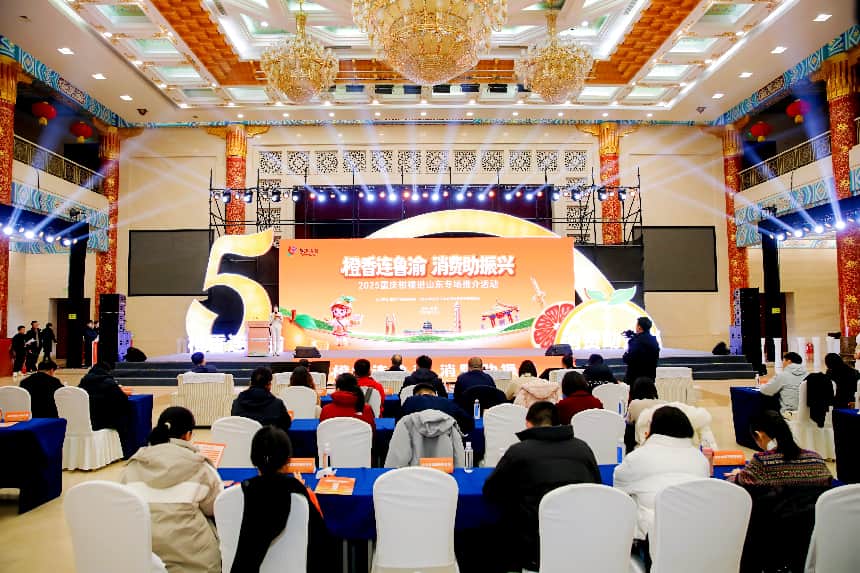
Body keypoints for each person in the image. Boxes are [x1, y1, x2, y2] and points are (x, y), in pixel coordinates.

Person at [483, 402, 601, 572]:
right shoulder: (583, 448)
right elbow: (596, 487)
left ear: (528, 424)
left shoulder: (518, 452)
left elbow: (492, 491)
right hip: (579, 538)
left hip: (531, 545)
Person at [120, 407, 222, 573]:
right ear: (188, 435)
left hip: (143, 556)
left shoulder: (132, 465)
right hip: (196, 560)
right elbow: (216, 507)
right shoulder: (200, 466)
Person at [230, 426, 332, 572]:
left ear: (253, 459)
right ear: (287, 461)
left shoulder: (237, 494)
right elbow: (321, 536)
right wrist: (305, 489)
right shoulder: (299, 495)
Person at [613, 406, 710, 541]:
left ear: (654, 428)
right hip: (695, 535)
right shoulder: (700, 459)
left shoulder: (638, 457)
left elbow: (618, 487)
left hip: (653, 538)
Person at [727, 410, 832, 488]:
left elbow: (734, 483)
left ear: (759, 435)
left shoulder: (761, 462)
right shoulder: (816, 458)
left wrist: (737, 475)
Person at [78, 360, 130, 437]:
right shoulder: (109, 383)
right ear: (107, 371)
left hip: (85, 420)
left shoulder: (83, 382)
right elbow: (123, 400)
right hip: (105, 422)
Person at [231, 367, 292, 431]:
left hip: (244, 437)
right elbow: (286, 425)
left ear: (250, 383)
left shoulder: (236, 403)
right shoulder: (277, 404)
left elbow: (234, 425)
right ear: (269, 385)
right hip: (269, 437)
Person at [401, 382, 473, 433]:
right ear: (435, 394)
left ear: (416, 395)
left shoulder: (410, 401)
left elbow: (400, 423)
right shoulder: (447, 402)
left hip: (415, 445)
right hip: (445, 445)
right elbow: (469, 422)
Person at [622, 317, 660, 383]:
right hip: (650, 377)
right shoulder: (654, 340)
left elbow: (629, 358)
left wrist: (625, 355)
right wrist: (634, 335)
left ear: (639, 327)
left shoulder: (635, 341)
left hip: (635, 378)